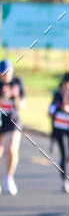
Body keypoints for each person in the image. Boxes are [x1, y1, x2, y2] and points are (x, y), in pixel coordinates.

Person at [0, 58, 26, 195]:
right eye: (3, 73)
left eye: (8, 72)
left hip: (13, 121)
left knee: (11, 149)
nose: (6, 75)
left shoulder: (17, 82)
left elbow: (22, 104)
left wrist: (14, 97)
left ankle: (9, 178)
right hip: (0, 122)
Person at [49, 72, 69, 192]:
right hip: (59, 129)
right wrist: (56, 108)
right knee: (65, 154)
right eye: (66, 83)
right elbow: (51, 108)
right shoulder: (58, 95)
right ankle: (65, 180)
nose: (68, 86)